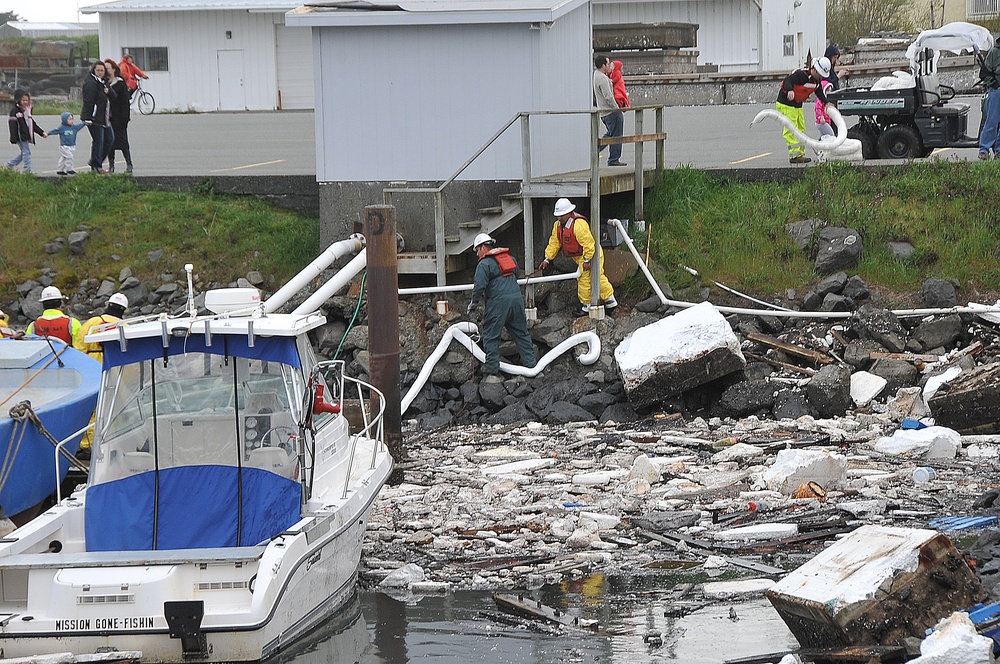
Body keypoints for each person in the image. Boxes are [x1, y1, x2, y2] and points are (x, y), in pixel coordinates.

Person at [467, 233, 536, 376]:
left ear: (483, 247)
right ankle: (531, 365)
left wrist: (473, 303)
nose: (477, 254)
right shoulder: (510, 258)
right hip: (516, 299)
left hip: (498, 303)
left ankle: (492, 369)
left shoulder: (484, 264)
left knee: (491, 335)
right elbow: (516, 274)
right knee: (521, 333)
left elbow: (479, 286)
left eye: (477, 250)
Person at [539, 198, 617, 317]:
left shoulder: (579, 225)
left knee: (587, 279)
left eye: (561, 215)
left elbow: (589, 243)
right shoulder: (558, 226)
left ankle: (587, 307)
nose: (559, 218)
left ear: (569, 213)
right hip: (583, 256)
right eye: (558, 215)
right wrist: (547, 259)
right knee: (594, 277)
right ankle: (610, 302)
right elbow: (554, 242)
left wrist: (587, 260)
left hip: (592, 254)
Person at [776, 56, 831, 164]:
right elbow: (788, 80)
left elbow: (819, 92)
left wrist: (826, 102)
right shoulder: (802, 75)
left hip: (797, 105)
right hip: (786, 104)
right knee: (791, 129)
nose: (820, 76)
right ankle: (795, 156)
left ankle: (800, 154)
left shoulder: (816, 81)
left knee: (800, 128)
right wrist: (790, 90)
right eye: (819, 73)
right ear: (814, 69)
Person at [81, 60, 115, 173]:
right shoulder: (91, 83)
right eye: (98, 70)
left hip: (104, 118)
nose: (100, 72)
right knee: (98, 141)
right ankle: (97, 165)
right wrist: (88, 118)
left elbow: (114, 96)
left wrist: (108, 90)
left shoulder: (103, 82)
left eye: (102, 70)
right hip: (94, 118)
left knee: (110, 139)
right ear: (93, 70)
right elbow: (88, 101)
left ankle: (96, 161)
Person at [75, 292, 128, 363]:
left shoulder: (92, 322)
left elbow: (79, 347)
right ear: (124, 309)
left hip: (92, 363)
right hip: (115, 364)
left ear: (108, 305)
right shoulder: (125, 327)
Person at [593, 54, 626, 167]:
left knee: (611, 134)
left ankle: (595, 149)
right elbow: (608, 96)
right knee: (616, 135)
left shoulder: (596, 75)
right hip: (611, 112)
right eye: (607, 63)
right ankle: (613, 159)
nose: (609, 65)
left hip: (603, 112)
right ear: (603, 65)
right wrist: (616, 108)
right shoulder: (602, 78)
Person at [6, 90, 46, 173]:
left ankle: (9, 164)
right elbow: (12, 125)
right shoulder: (15, 111)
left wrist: (41, 132)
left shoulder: (27, 110)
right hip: (20, 136)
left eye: (27, 100)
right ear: (18, 100)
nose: (25, 102)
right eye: (23, 100)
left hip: (25, 135)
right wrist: (13, 137)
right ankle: (27, 170)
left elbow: (32, 124)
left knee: (24, 152)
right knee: (26, 152)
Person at [104, 59, 133, 173]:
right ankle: (111, 165)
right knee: (110, 142)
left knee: (123, 141)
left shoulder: (120, 83)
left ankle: (129, 163)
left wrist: (125, 118)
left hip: (119, 118)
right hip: (107, 118)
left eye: (108, 68)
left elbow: (125, 102)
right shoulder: (103, 83)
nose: (106, 70)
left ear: (114, 69)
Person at [979, 40, 1000, 160]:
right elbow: (984, 73)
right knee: (992, 121)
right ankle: (984, 149)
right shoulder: (994, 53)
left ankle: (999, 152)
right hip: (996, 91)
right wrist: (995, 84)